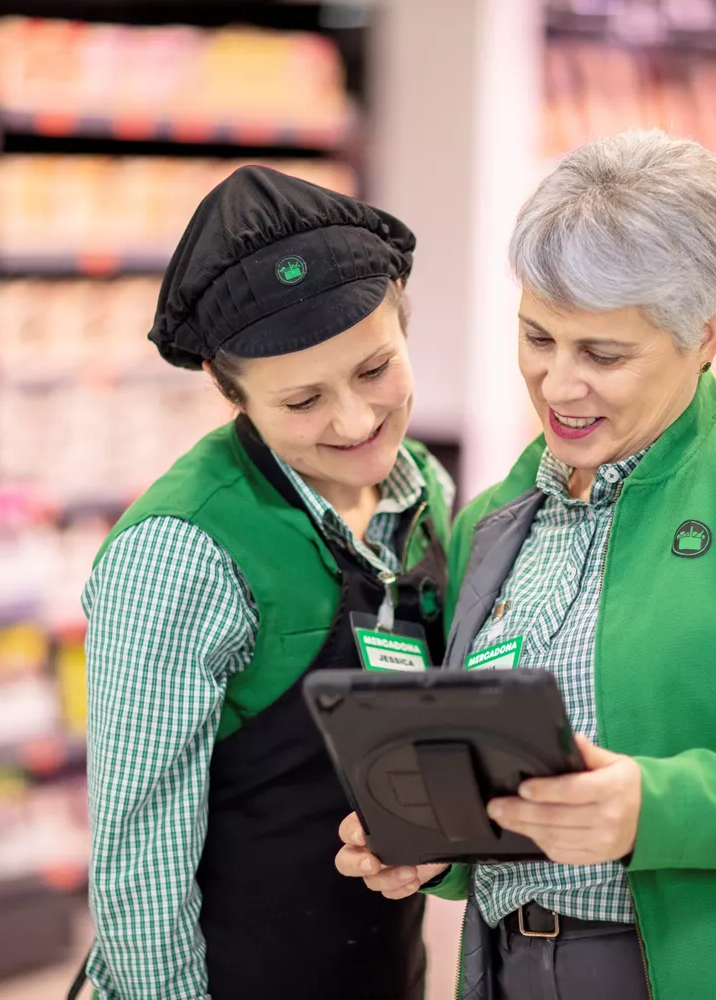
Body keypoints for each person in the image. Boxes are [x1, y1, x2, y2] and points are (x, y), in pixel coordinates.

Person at [336, 130, 716, 1000]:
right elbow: (508, 796)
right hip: (519, 970)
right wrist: (432, 844)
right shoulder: (495, 521)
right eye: (537, 337)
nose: (557, 385)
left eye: (604, 354)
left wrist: (652, 809)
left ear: (705, 337)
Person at [78, 166, 452, 1000]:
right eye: (302, 401)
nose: (354, 422)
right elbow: (139, 860)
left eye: (373, 370)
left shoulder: (425, 492)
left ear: (404, 316)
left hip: (383, 967)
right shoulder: (179, 554)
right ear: (230, 391)